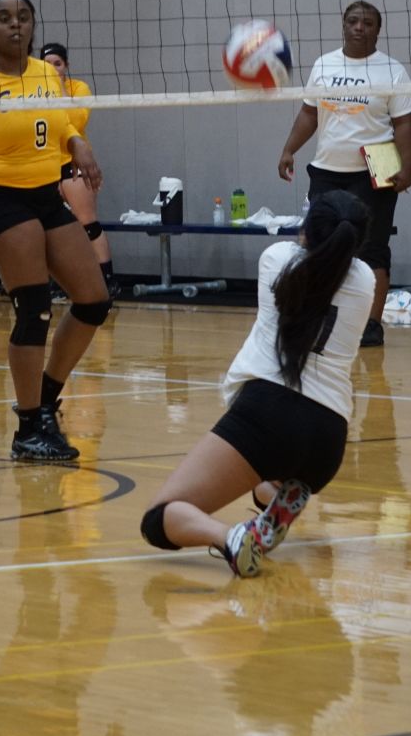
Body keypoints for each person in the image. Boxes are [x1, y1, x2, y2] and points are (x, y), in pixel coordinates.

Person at [138, 190, 373, 576]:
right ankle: (279, 495)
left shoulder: (276, 258)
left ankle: (232, 537)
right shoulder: (365, 282)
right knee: (269, 472)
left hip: (269, 415)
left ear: (307, 230)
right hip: (328, 439)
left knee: (159, 519)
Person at [0, 0, 113, 463]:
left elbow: (57, 121)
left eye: (23, 17)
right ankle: (28, 428)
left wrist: (77, 141)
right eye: (3, 18)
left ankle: (45, 401)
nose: (16, 25)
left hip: (45, 193)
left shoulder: (44, 73)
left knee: (94, 300)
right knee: (35, 308)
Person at [276, 0, 411, 347]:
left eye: (367, 23)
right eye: (353, 21)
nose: (359, 27)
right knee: (318, 246)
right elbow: (309, 114)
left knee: (372, 250)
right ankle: (317, 314)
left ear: (377, 30)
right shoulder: (325, 65)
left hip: (373, 173)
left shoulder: (392, 71)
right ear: (343, 25)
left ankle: (371, 325)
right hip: (326, 171)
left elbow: (404, 125)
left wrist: (406, 166)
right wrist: (289, 149)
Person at [40, 41, 118, 300]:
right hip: (46, 166)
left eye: (57, 64)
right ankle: (60, 283)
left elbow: (73, 122)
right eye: (46, 64)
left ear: (66, 66)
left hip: (74, 165)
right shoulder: (33, 92)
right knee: (50, 228)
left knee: (88, 225)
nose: (52, 68)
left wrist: (58, 86)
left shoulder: (79, 88)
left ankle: (107, 280)